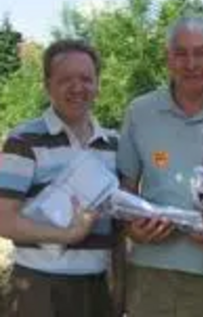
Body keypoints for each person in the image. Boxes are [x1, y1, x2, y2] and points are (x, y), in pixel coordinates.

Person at [117, 16, 203, 317]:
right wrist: (132, 229)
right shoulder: (140, 111)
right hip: (151, 271)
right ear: (168, 58)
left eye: (200, 52)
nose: (190, 63)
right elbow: (124, 189)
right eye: (180, 53)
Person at [0, 39, 118, 317]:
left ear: (98, 84)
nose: (78, 88)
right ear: (47, 84)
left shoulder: (114, 143)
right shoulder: (24, 140)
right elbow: (3, 219)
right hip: (39, 285)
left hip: (97, 284)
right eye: (65, 79)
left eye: (86, 79)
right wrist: (68, 234)